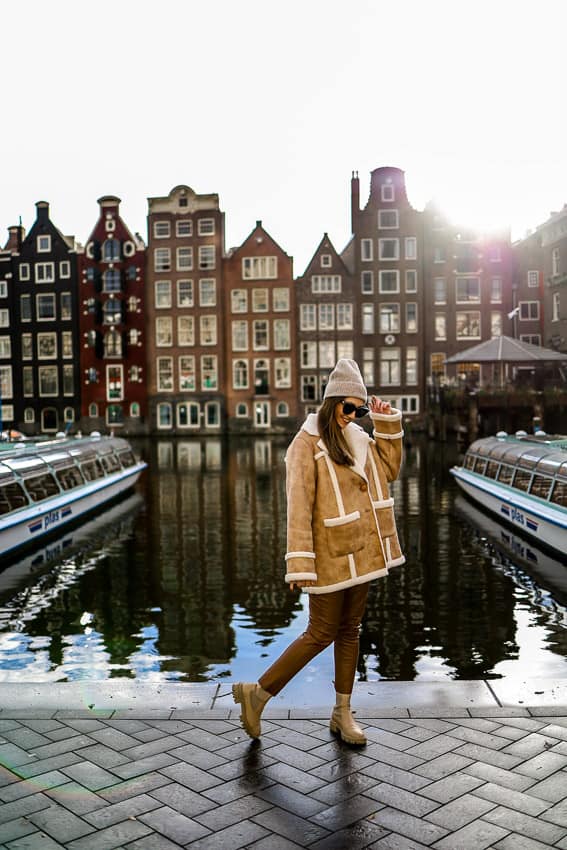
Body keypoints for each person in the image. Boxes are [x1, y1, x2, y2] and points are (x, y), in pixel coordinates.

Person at [232, 358, 405, 746]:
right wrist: (299, 562)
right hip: (328, 553)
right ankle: (257, 695)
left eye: (358, 409)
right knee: (320, 632)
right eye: (348, 408)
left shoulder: (360, 438)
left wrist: (386, 422)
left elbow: (390, 470)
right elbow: (298, 506)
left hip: (363, 552)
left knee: (351, 631)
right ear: (330, 404)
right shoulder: (305, 445)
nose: (352, 416)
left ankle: (343, 713)